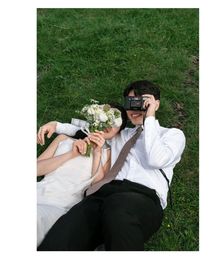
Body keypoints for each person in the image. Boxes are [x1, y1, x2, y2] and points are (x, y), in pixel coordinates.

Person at [37, 80, 186, 251]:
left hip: (142, 197)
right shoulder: (121, 134)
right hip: (102, 194)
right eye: (131, 102)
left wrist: (149, 117)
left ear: (155, 104)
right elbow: (89, 129)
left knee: (119, 210)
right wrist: (56, 125)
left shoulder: (172, 135)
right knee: (62, 235)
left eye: (143, 102)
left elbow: (156, 159)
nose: (136, 108)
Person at [37, 104, 127, 246]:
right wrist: (71, 154)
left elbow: (96, 189)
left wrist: (97, 154)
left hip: (62, 205)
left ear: (118, 133)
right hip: (40, 191)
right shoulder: (63, 139)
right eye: (107, 116)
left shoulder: (107, 154)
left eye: (115, 121)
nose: (108, 123)